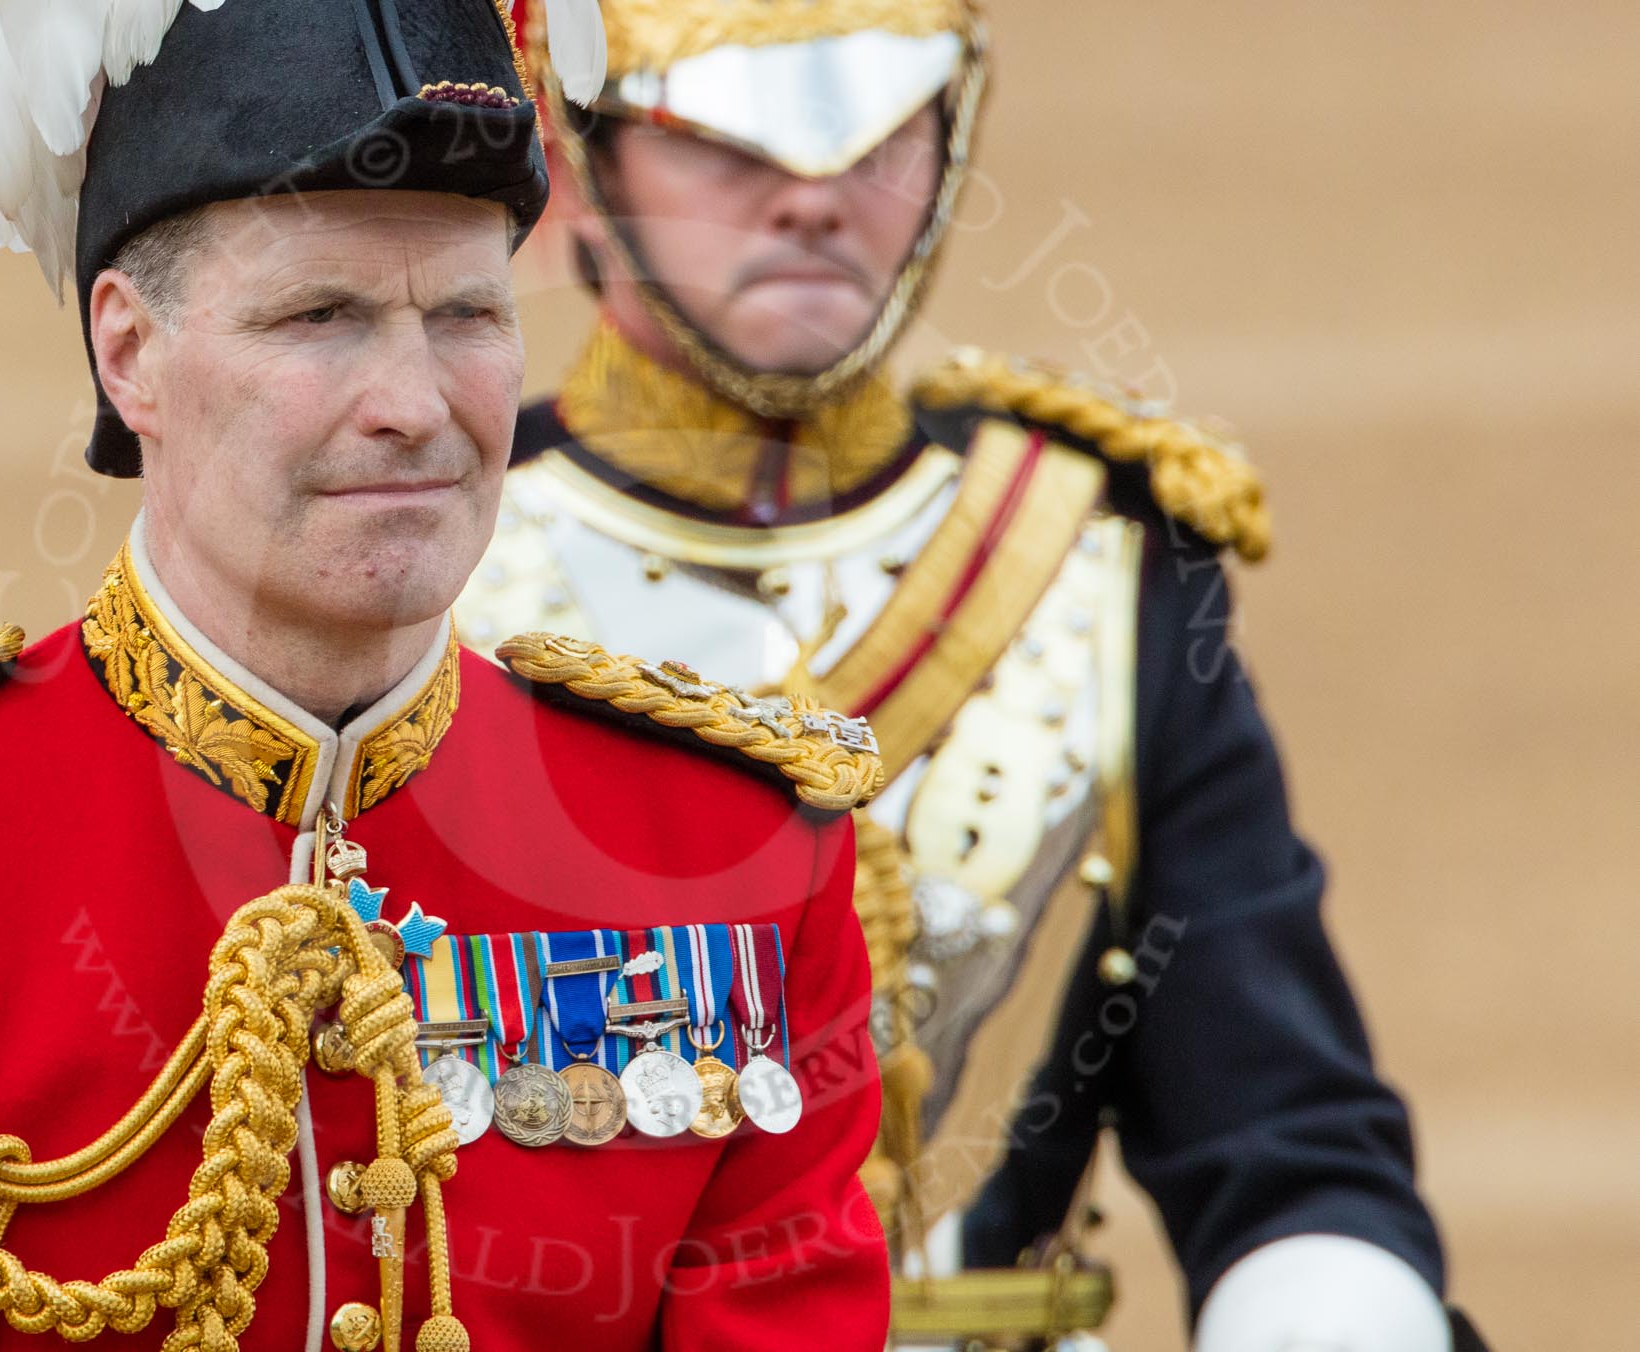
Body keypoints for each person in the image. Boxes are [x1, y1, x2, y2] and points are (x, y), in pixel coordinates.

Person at [0, 2, 893, 1348]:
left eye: (464, 313)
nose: (414, 403)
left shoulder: (740, 853)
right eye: (319, 316)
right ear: (130, 353)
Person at [459, 1, 1487, 1347]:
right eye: (730, 149)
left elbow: (1285, 1149)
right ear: (580, 150)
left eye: (879, 139)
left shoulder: (1093, 562)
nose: (814, 203)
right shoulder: (432, 568)